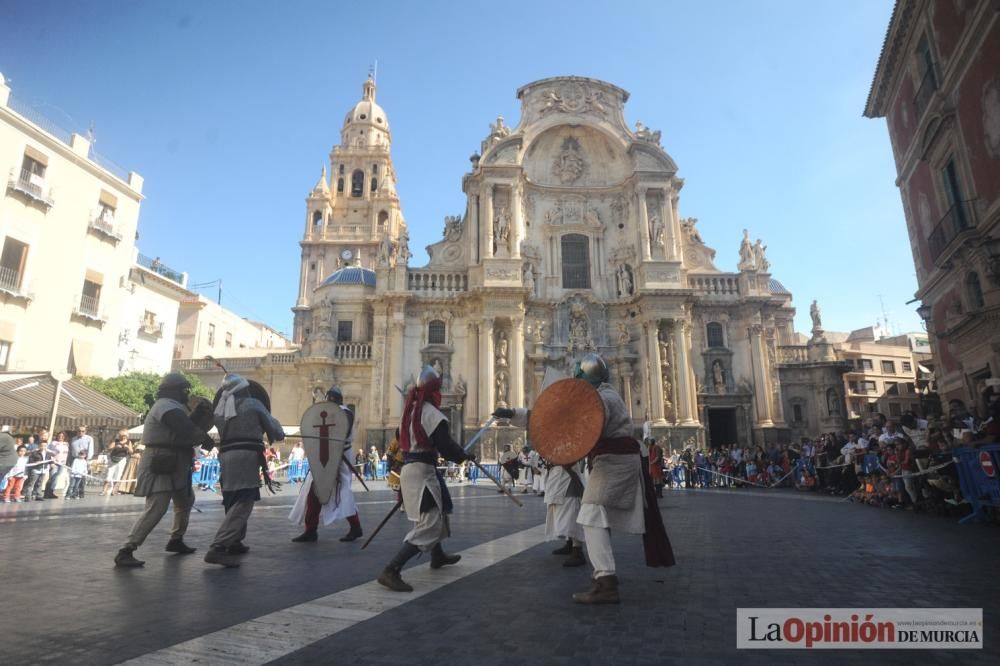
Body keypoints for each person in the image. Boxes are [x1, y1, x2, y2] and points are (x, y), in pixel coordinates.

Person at [561, 354, 675, 603]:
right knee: (596, 516)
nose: (576, 380)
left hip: (615, 462)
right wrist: (517, 414)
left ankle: (606, 582)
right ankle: (603, 576)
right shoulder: (603, 395)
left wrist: (564, 444)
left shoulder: (603, 398)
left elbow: (585, 429)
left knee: (591, 514)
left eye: (579, 375)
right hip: (609, 462)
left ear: (587, 376)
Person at [377, 366, 475, 592]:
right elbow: (446, 447)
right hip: (422, 471)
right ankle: (392, 569)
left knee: (440, 513)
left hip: (415, 469)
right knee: (430, 522)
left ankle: (437, 556)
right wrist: (463, 455)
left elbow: (404, 438)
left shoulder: (409, 412)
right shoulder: (432, 414)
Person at [113, 373, 214, 568]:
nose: (187, 393)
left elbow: (185, 427)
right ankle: (126, 549)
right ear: (174, 390)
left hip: (175, 461)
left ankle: (176, 539)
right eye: (184, 389)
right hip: (162, 460)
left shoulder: (173, 407)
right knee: (157, 507)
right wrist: (203, 435)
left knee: (185, 501)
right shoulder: (166, 406)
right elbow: (184, 428)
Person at [205, 374, 285, 568]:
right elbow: (275, 430)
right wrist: (276, 431)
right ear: (242, 389)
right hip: (245, 457)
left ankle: (235, 541)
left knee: (232, 497)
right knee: (244, 501)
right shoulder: (253, 405)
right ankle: (218, 546)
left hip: (226, 456)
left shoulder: (220, 410)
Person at [289, 386, 364, 543]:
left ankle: (356, 527)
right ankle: (311, 530)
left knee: (342, 491)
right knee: (314, 491)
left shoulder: (345, 413)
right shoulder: (327, 413)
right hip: (322, 456)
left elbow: (341, 432)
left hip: (340, 456)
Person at [103, 431, 133, 496]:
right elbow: (109, 448)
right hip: (113, 459)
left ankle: (114, 490)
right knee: (109, 473)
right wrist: (115, 446)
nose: (122, 437)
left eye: (124, 436)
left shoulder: (129, 442)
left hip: (122, 460)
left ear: (126, 436)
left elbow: (131, 452)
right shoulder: (116, 441)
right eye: (121, 436)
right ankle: (104, 490)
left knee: (118, 474)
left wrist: (127, 447)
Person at [43, 432, 70, 498]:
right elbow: (48, 452)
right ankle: (47, 493)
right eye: (59, 436)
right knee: (52, 477)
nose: (60, 437)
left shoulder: (66, 444)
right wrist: (51, 462)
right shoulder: (53, 443)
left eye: (62, 436)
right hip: (54, 463)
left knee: (56, 478)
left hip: (62, 463)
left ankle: (52, 492)